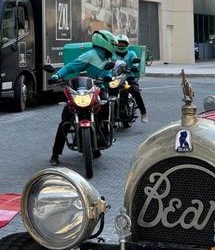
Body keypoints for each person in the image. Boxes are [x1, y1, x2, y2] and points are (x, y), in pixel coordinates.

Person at [49, 30, 117, 165]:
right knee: (66, 120)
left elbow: (110, 72)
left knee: (106, 105)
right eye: (112, 44)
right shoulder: (90, 55)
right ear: (105, 42)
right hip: (82, 90)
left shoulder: (108, 60)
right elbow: (70, 67)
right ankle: (55, 154)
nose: (114, 47)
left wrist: (109, 76)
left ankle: (104, 134)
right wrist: (57, 75)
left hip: (98, 89)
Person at [114, 34, 148, 123]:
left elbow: (136, 63)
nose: (121, 45)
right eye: (119, 43)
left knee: (136, 91)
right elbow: (106, 62)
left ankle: (143, 112)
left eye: (123, 43)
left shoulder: (131, 53)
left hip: (128, 78)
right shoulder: (112, 54)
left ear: (127, 44)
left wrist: (134, 67)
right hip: (115, 78)